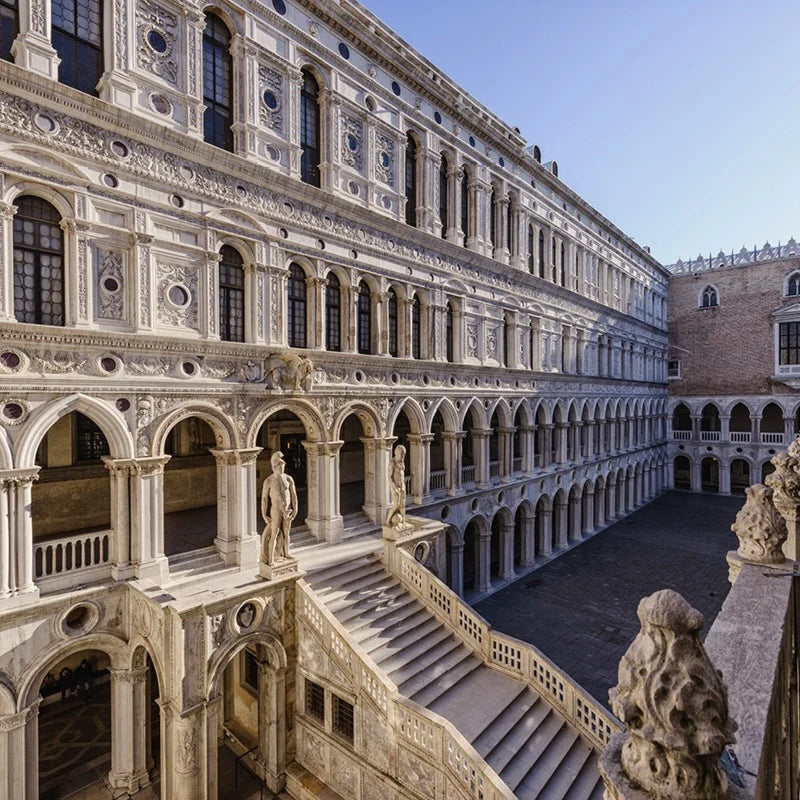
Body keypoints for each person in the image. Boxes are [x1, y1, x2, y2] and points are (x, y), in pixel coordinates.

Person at [261, 451, 298, 565]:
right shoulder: (269, 481)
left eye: (283, 466)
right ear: (274, 467)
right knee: (274, 533)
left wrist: (295, 508)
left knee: (287, 533)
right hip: (276, 509)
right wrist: (264, 514)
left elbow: (293, 495)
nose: (282, 468)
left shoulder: (288, 479)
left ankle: (286, 552)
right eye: (279, 466)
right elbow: (264, 499)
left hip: (287, 510)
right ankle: (271, 558)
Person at [386, 444, 407, 527]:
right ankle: (388, 521)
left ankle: (404, 521)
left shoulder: (402, 461)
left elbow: (402, 474)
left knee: (402, 505)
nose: (402, 456)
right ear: (397, 453)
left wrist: (403, 485)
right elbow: (389, 477)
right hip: (395, 487)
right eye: (401, 454)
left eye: (403, 455)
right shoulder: (392, 462)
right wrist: (394, 488)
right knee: (396, 505)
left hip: (402, 486)